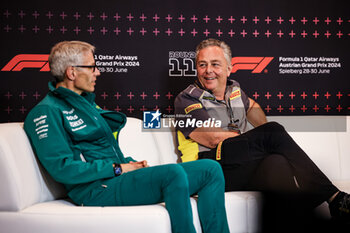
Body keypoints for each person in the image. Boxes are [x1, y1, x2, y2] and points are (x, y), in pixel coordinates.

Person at [24, 41, 230, 233]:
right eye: (92, 67)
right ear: (72, 72)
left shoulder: (87, 105)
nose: (98, 72)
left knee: (210, 170)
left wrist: (130, 164)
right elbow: (63, 169)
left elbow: (103, 150)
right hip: (94, 190)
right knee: (172, 173)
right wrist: (118, 168)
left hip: (116, 178)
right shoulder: (45, 112)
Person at [174, 38, 350, 231]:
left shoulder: (235, 91)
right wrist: (264, 137)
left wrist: (267, 137)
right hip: (209, 165)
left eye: (215, 64)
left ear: (228, 69)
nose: (208, 70)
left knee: (277, 162)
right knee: (273, 133)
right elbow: (212, 138)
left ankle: (295, 220)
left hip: (237, 166)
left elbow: (253, 107)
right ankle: (334, 198)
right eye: (202, 65)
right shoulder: (186, 98)